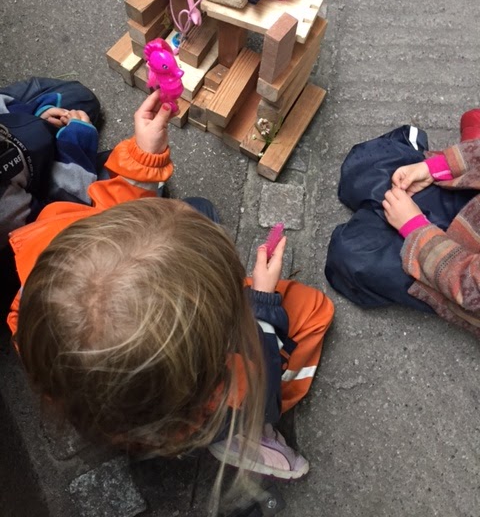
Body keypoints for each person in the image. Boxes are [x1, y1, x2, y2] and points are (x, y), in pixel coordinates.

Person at [7, 91, 334, 512]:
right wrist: (263, 303)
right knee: (312, 311)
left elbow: (110, 217)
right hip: (195, 411)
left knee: (198, 210)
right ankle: (243, 434)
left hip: (125, 410)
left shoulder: (52, 259)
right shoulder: (219, 381)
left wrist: (143, 161)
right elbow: (257, 377)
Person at [325, 109, 480, 338]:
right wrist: (436, 167)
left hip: (452, 268)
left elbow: (470, 287)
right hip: (470, 202)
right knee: (364, 162)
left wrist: (414, 227)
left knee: (348, 257)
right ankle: (413, 158)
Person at [0, 77, 102, 318]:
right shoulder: (5, 210)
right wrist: (77, 145)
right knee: (120, 184)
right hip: (29, 225)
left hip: (19, 148)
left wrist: (31, 116)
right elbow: (60, 217)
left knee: (80, 98)